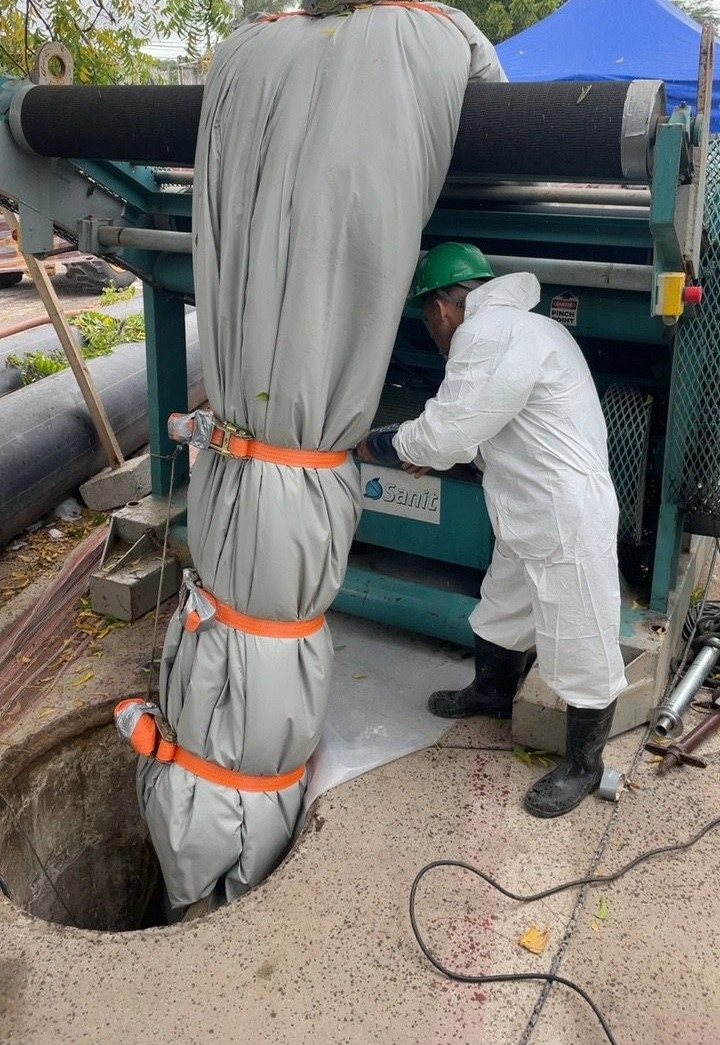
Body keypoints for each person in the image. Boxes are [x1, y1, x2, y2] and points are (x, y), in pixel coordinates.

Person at [131, 8, 507, 911]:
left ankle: (221, 849)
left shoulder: (252, 50)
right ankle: (229, 840)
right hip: (281, 478)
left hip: (247, 477)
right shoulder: (424, 35)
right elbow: (496, 137)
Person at [355, 241, 627, 818]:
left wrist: (381, 444)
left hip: (564, 516)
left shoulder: (489, 333)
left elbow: (448, 431)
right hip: (529, 508)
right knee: (504, 606)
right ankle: (493, 692)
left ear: (441, 308)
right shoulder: (520, 329)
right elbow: (494, 423)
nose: (432, 331)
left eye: (427, 319)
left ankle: (584, 766)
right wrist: (439, 451)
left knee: (581, 638)